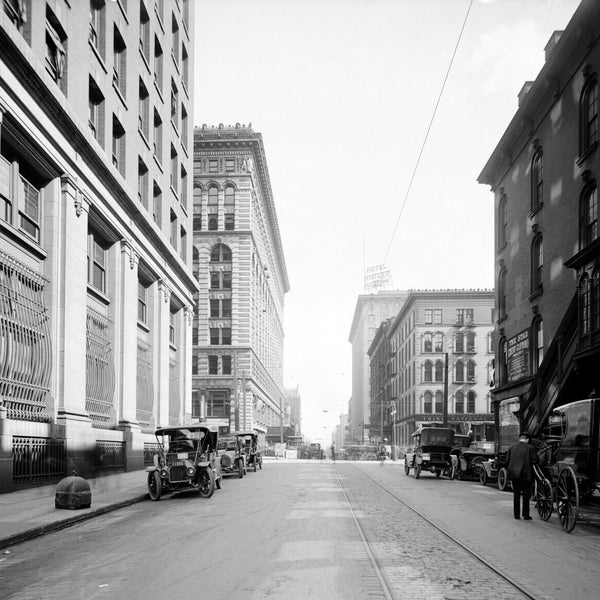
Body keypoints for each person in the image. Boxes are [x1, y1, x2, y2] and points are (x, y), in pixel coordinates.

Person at [506, 431, 538, 520]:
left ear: (520, 439)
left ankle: (516, 514)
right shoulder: (530, 448)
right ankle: (525, 515)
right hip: (526, 475)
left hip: (514, 474)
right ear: (527, 440)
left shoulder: (512, 447)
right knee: (526, 495)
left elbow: (507, 460)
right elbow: (535, 460)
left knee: (516, 494)